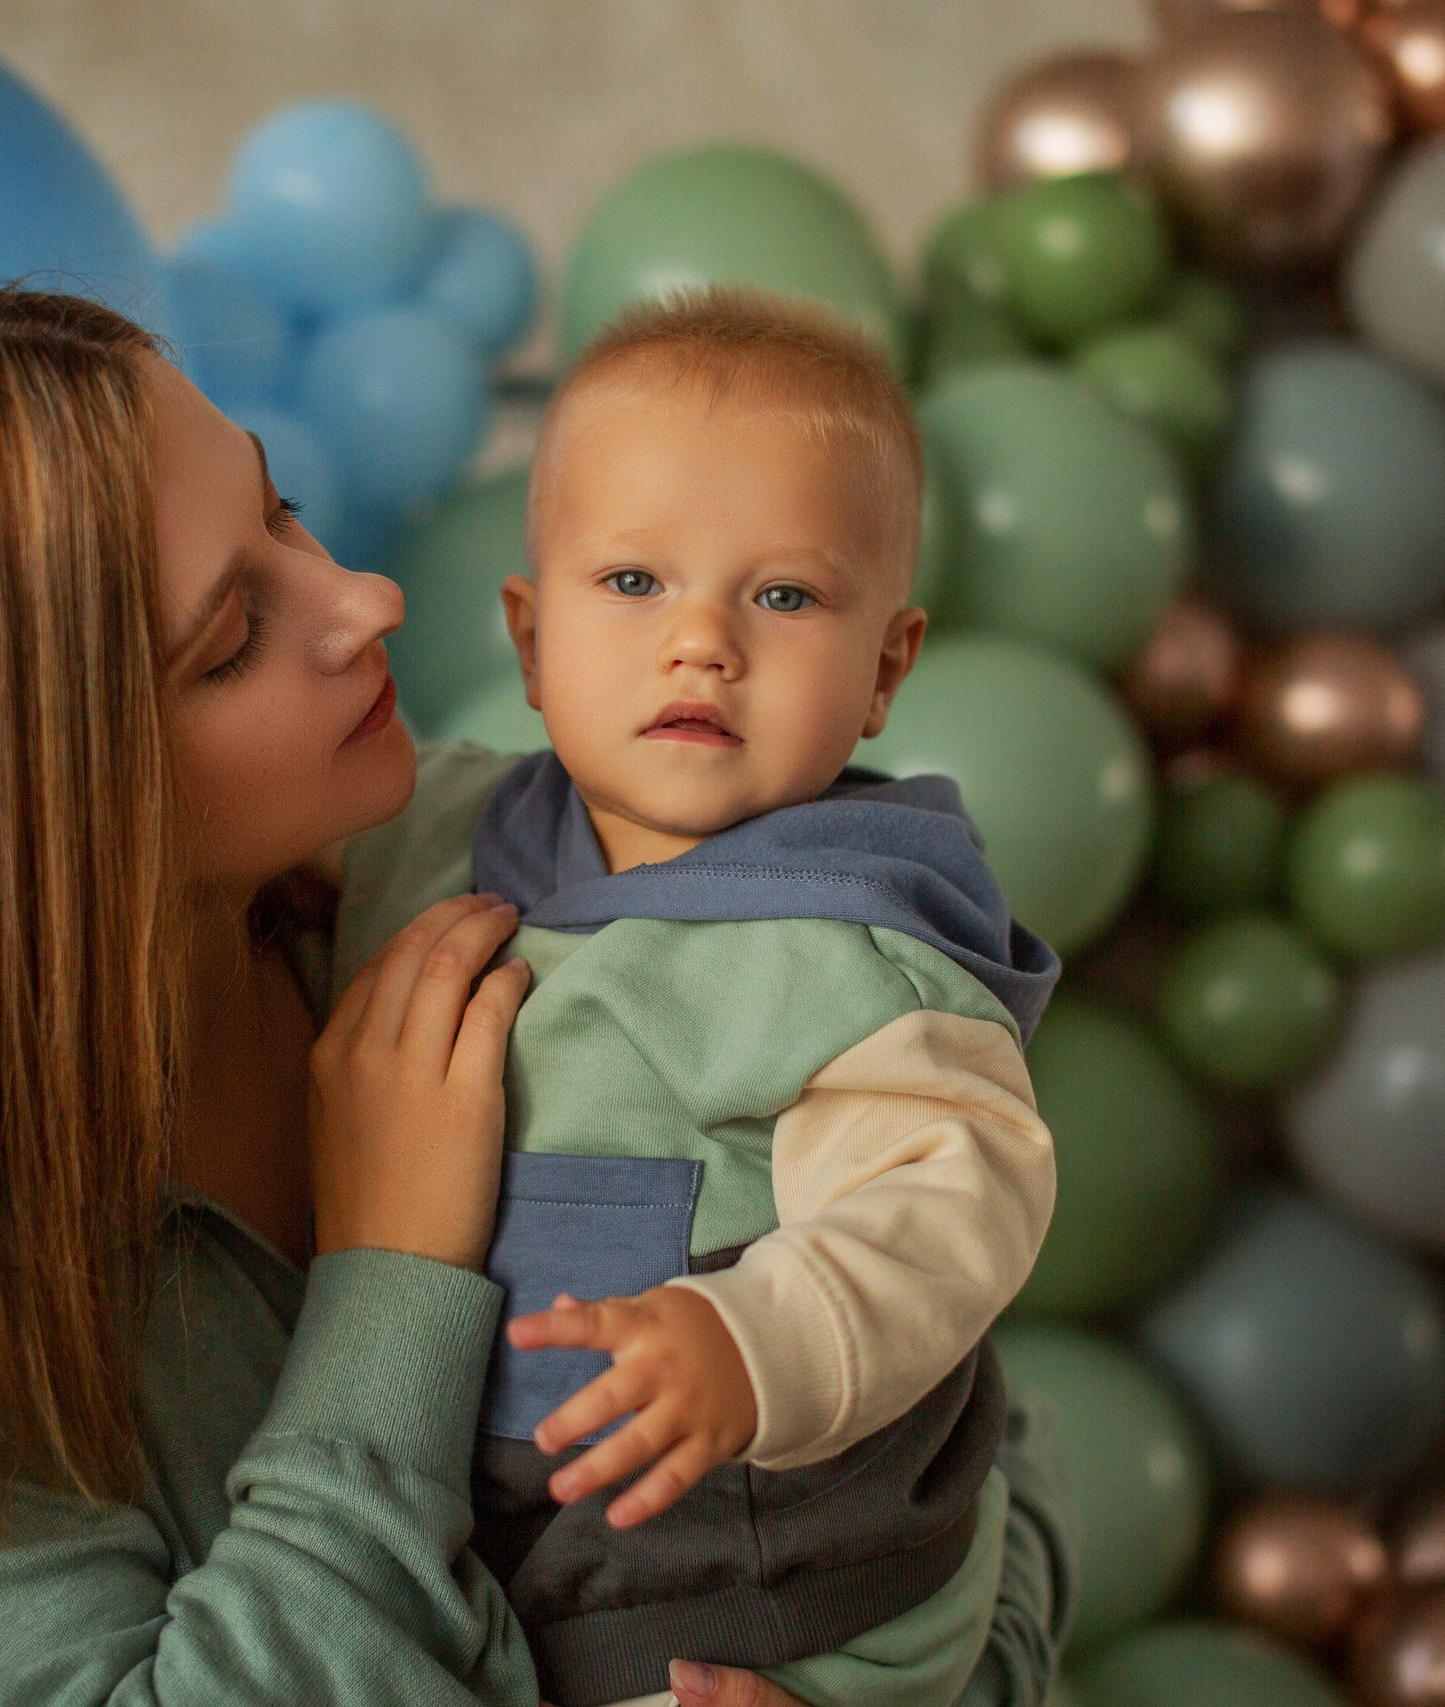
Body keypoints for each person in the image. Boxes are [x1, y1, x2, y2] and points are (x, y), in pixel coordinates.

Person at [0, 289, 1078, 1706]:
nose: (363, 599)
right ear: (27, 815)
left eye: (282, 508)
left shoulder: (478, 870)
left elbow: (950, 1360)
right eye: (232, 636)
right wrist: (387, 1285)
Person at [329, 289, 1059, 1707]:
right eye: (634, 583)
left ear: (884, 673)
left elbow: (951, 1208)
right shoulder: (440, 835)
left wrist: (754, 1340)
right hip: (518, 1533)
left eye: (783, 596)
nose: (702, 642)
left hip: (767, 1574)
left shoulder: (852, 947)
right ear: (530, 642)